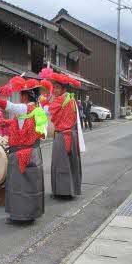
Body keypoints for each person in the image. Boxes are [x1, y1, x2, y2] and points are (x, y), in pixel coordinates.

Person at [0, 77, 48, 223]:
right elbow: (20, 122)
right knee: (31, 186)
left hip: (21, 154)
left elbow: (6, 105)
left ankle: (20, 216)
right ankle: (31, 214)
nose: (20, 97)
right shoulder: (37, 110)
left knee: (19, 187)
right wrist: (5, 123)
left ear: (25, 95)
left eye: (21, 95)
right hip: (33, 153)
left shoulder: (23, 108)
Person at [39, 68, 84, 199]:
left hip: (62, 136)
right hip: (72, 135)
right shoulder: (71, 98)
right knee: (71, 163)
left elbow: (46, 111)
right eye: (54, 87)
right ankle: (72, 189)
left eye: (57, 87)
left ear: (63, 88)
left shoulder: (60, 99)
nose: (55, 90)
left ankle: (63, 191)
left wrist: (42, 101)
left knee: (60, 164)